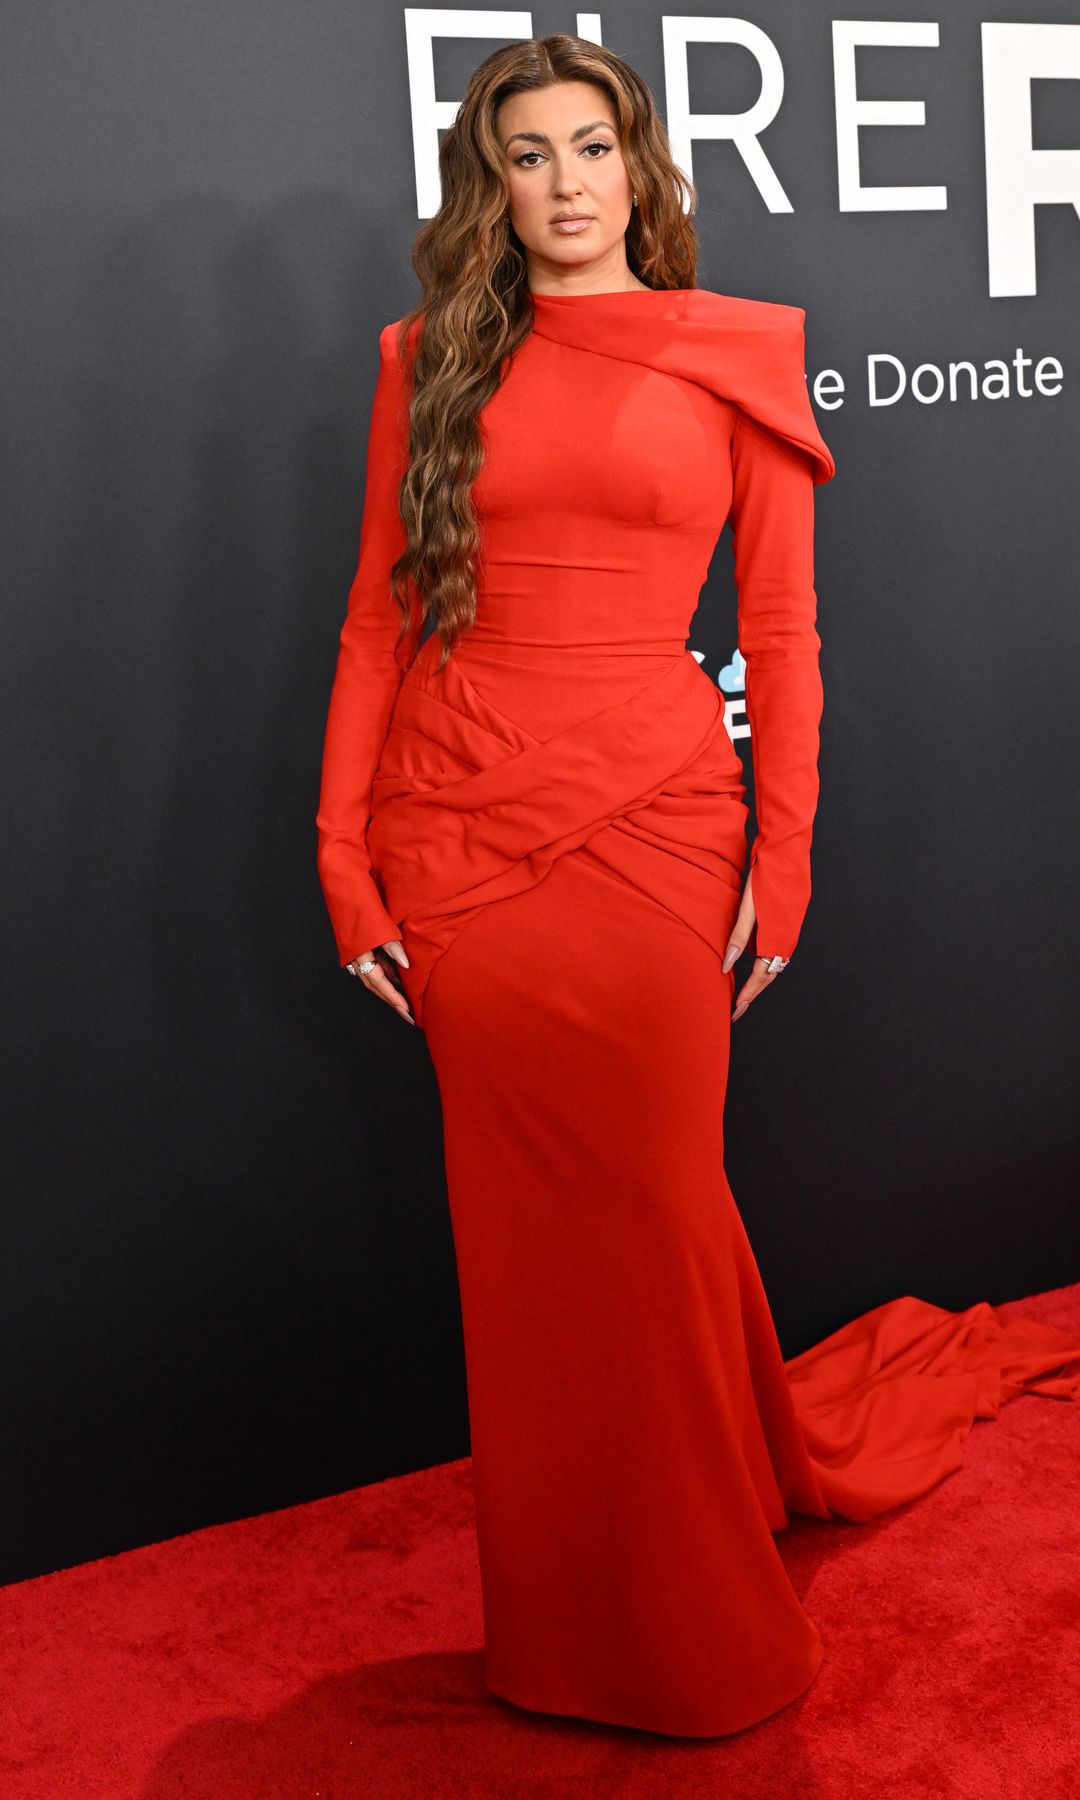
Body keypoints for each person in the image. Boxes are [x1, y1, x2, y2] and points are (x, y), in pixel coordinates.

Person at [316, 34, 1080, 1739]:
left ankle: (691, 1620)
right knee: (525, 1256)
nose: (569, 183)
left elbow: (788, 638)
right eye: (532, 154)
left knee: (658, 1215)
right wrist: (341, 858)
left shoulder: (735, 356)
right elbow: (378, 620)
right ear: (489, 182)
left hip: (659, 825)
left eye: (595, 146)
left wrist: (782, 863)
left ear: (641, 168)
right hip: (458, 830)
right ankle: (570, 1635)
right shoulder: (428, 358)